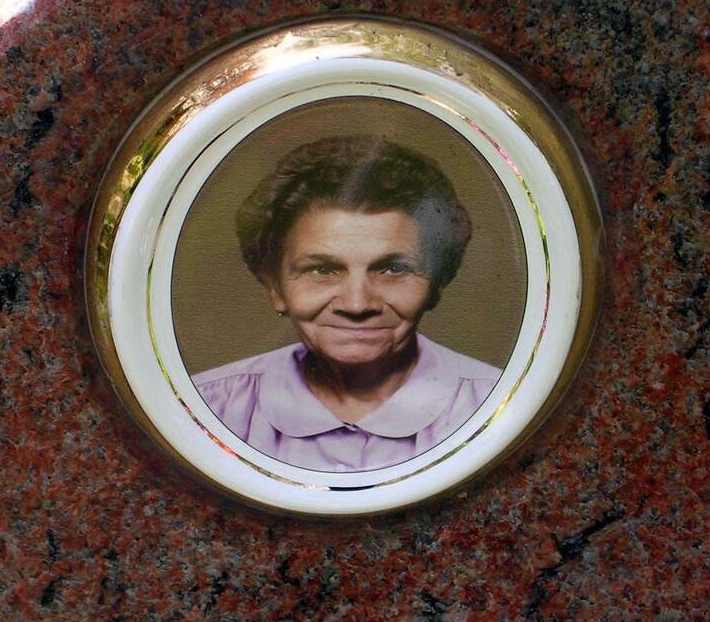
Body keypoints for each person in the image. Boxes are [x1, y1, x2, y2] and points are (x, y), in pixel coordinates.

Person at [192, 135, 500, 472]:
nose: (357, 305)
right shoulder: (202, 411)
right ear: (276, 287)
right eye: (323, 270)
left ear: (436, 282)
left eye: (393, 269)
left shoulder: (501, 408)